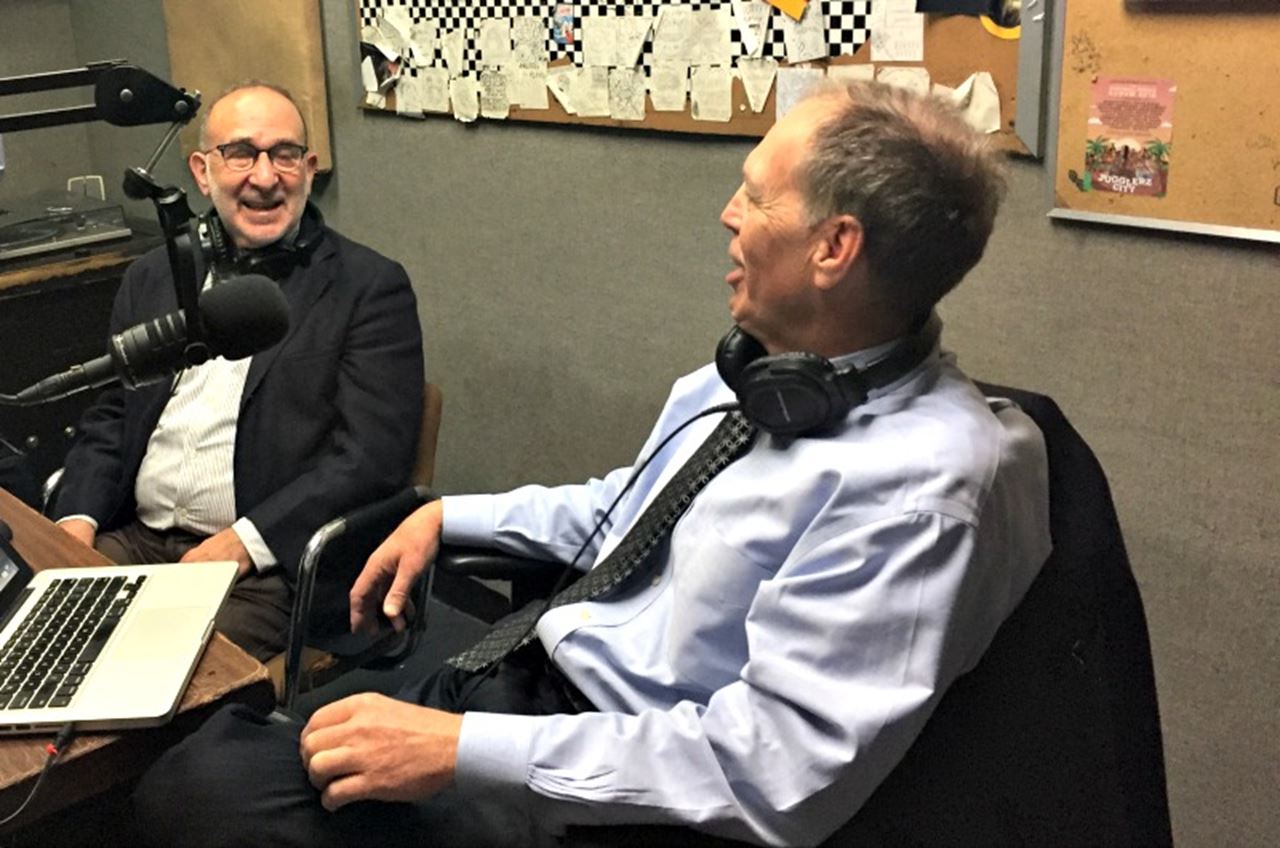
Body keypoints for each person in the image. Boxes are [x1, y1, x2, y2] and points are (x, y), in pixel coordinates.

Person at [133, 81, 1051, 846]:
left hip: (610, 788)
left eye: (756, 194)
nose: (727, 214)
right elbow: (631, 504)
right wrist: (448, 516)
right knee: (218, 753)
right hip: (525, 675)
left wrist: (459, 750)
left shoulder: (921, 490)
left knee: (195, 798)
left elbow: (770, 773)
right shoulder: (757, 375)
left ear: (834, 247)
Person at [52, 83, 425, 661]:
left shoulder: (368, 288)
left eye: (284, 154)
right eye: (241, 154)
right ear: (202, 173)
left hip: (267, 570)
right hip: (134, 537)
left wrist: (242, 544)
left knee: (143, 664)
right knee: (34, 632)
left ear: (309, 169)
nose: (265, 176)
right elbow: (113, 414)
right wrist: (76, 520)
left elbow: (371, 458)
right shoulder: (153, 276)